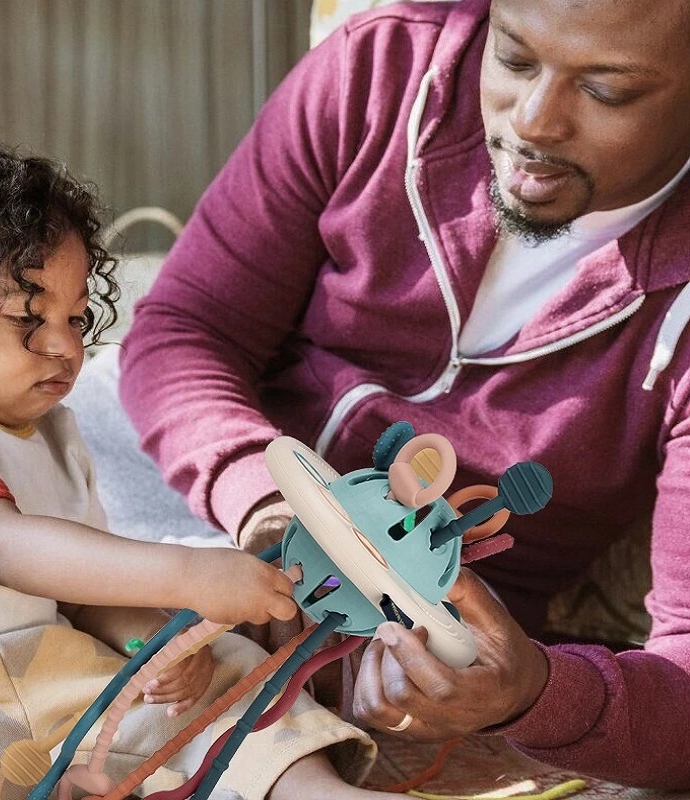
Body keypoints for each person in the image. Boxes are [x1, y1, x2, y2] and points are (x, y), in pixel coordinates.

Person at [118, 0, 690, 790]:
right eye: (513, 57)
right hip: (182, 498)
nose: (533, 120)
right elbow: (186, 328)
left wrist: (533, 692)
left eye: (606, 91)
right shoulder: (380, 72)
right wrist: (267, 502)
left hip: (399, 643)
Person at [0, 109, 418, 800]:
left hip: (63, 688)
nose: (66, 346)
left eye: (76, 317)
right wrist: (184, 576)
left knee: (229, 660)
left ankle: (314, 790)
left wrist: (153, 640)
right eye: (29, 319)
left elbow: (81, 595)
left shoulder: (57, 435)